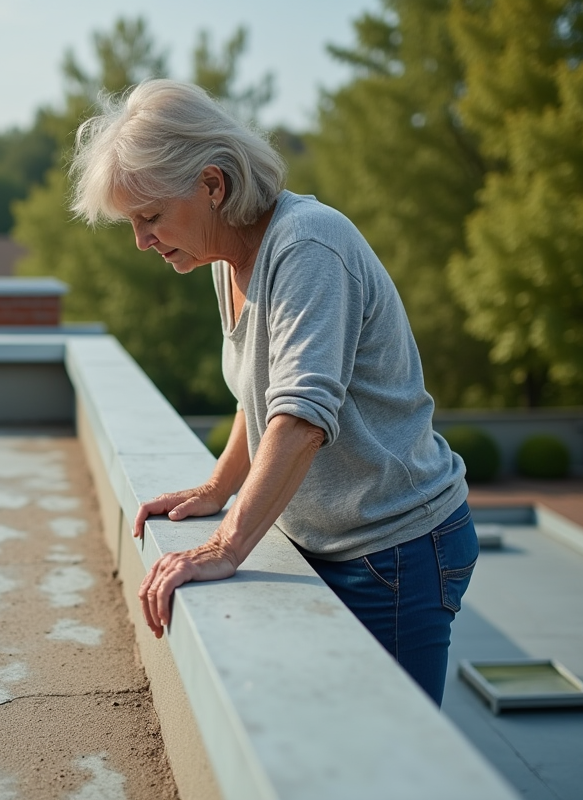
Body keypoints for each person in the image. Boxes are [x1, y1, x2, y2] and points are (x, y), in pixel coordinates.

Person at [68, 78, 478, 706]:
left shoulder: (308, 244)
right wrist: (216, 489)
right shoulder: (227, 256)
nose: (141, 240)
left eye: (149, 217)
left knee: (388, 762)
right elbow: (260, 395)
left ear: (212, 185)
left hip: (395, 551)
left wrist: (226, 545)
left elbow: (301, 419)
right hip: (328, 544)